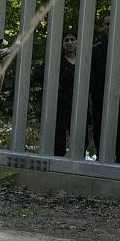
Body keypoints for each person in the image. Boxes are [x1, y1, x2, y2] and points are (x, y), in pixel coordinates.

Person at [89, 12, 120, 164]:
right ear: (103, 26)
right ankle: (102, 162)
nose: (110, 26)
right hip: (100, 97)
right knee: (101, 129)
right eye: (107, 24)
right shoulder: (96, 48)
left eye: (113, 23)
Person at [53, 28, 78, 157]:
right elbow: (38, 74)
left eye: (72, 39)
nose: (70, 42)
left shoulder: (83, 60)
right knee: (59, 139)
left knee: (80, 137)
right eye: (66, 40)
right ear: (62, 44)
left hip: (79, 105)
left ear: (77, 42)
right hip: (61, 105)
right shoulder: (57, 61)